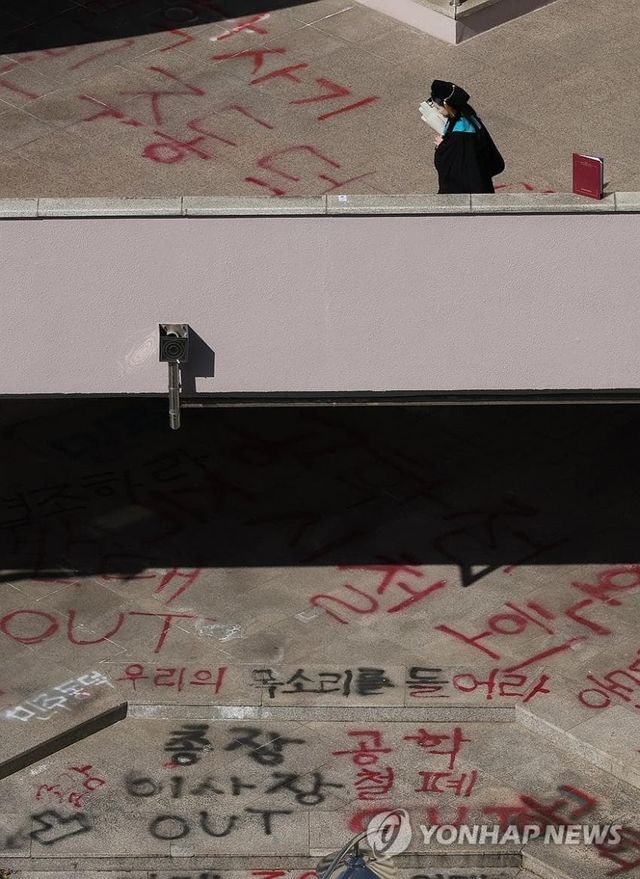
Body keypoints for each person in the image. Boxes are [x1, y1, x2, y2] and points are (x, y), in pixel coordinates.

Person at [430, 80, 504, 194]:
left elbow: (449, 164)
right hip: (480, 182)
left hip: (465, 192)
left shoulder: (459, 136)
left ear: (447, 106)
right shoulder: (469, 116)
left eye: (438, 108)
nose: (438, 111)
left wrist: (441, 146)